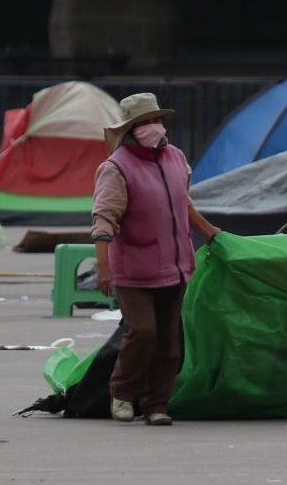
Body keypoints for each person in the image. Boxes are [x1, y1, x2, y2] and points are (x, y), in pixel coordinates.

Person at [91, 92, 220, 426]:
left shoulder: (175, 158)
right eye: (144, 123)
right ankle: (122, 394)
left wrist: (209, 231)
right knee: (143, 331)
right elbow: (104, 218)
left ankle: (157, 405)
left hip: (175, 267)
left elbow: (183, 202)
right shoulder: (116, 167)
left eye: (155, 120)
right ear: (130, 130)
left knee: (170, 343)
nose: (153, 127)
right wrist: (103, 267)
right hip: (134, 269)